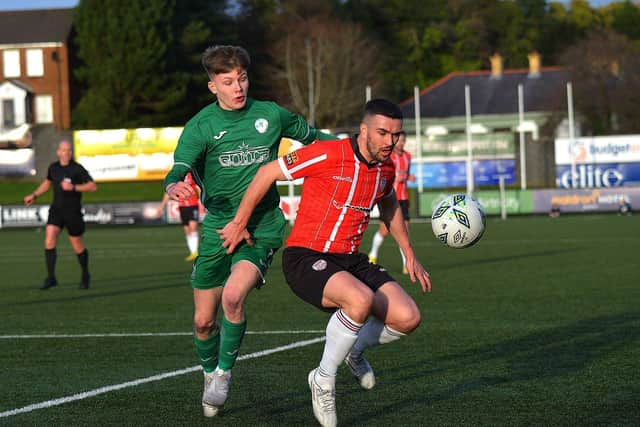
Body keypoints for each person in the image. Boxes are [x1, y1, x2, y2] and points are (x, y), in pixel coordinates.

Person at [219, 99, 432, 427]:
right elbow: (267, 172)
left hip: (351, 261)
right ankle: (322, 379)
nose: (390, 140)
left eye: (396, 134)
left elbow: (388, 202)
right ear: (364, 131)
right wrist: (240, 221)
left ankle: (353, 351)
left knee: (408, 317)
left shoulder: (386, 168)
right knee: (359, 301)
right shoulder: (328, 152)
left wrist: (409, 252)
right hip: (306, 257)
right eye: (383, 132)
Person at [163, 45, 334, 418]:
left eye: (242, 78)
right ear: (213, 87)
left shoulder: (270, 114)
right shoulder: (200, 126)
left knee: (233, 298)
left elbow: (314, 137)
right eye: (228, 81)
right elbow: (178, 168)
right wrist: (173, 185)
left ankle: (224, 373)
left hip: (263, 225)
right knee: (203, 321)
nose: (238, 87)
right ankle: (209, 372)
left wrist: (353, 147)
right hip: (218, 227)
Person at [23, 140, 97, 290]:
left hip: (73, 212)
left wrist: (74, 187)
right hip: (56, 210)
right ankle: (51, 277)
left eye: (69, 150)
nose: (67, 153)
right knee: (49, 238)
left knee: (77, 245)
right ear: (58, 152)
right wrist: (34, 195)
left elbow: (92, 186)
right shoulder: (54, 168)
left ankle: (85, 275)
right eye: (64, 150)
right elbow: (47, 183)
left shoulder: (77, 168)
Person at [367, 130, 415, 273]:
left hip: (404, 198)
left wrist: (408, 178)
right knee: (384, 230)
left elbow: (406, 174)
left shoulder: (408, 156)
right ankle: (373, 254)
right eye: (399, 140)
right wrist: (395, 179)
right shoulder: (388, 156)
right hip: (390, 200)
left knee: (405, 232)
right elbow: (383, 175)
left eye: (403, 141)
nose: (401, 143)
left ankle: (406, 263)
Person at [158, 172, 200, 261]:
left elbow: (199, 188)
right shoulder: (177, 177)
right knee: (187, 229)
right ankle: (192, 252)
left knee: (193, 228)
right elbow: (168, 192)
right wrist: (161, 206)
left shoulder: (193, 174)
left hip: (193, 205)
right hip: (182, 206)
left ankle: (196, 252)